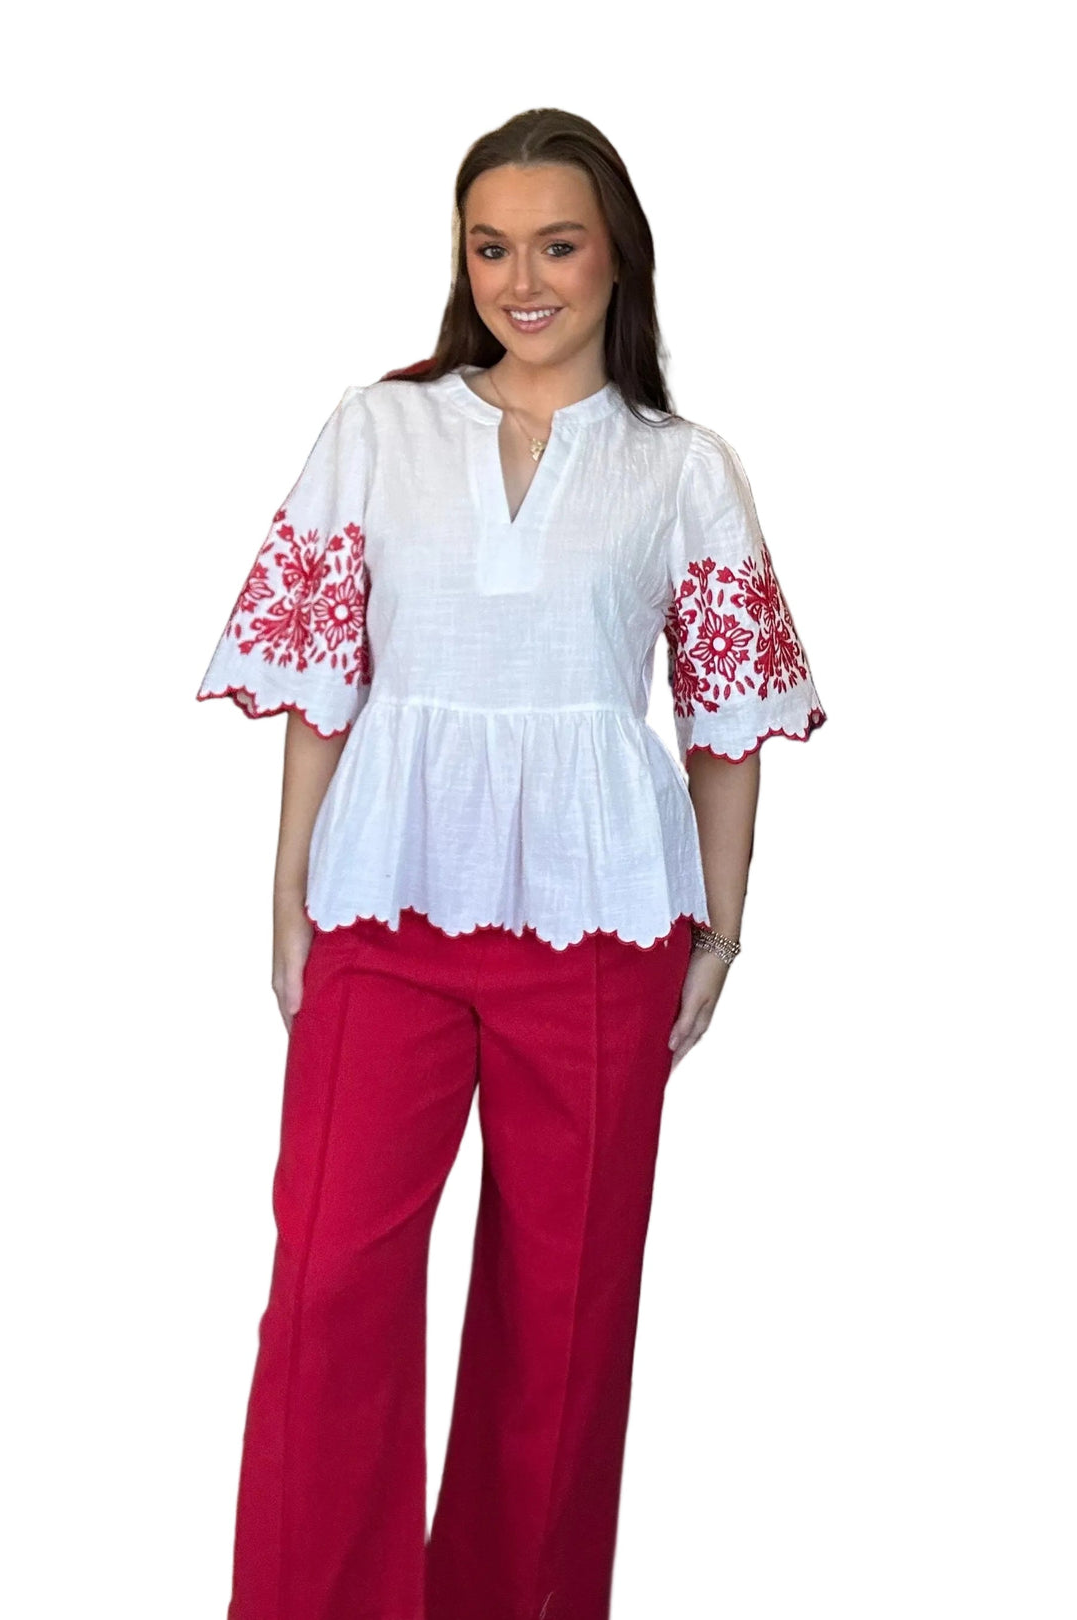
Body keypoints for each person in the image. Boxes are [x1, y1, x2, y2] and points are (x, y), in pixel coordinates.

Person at [196, 107, 827, 1620]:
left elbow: (725, 725)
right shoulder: (379, 427)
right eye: (492, 246)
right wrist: (288, 894)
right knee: (331, 1289)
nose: (522, 279)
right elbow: (322, 678)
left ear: (619, 256)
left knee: (562, 1319)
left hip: (606, 929)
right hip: (384, 914)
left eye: (557, 244)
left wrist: (719, 935)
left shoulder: (683, 467)